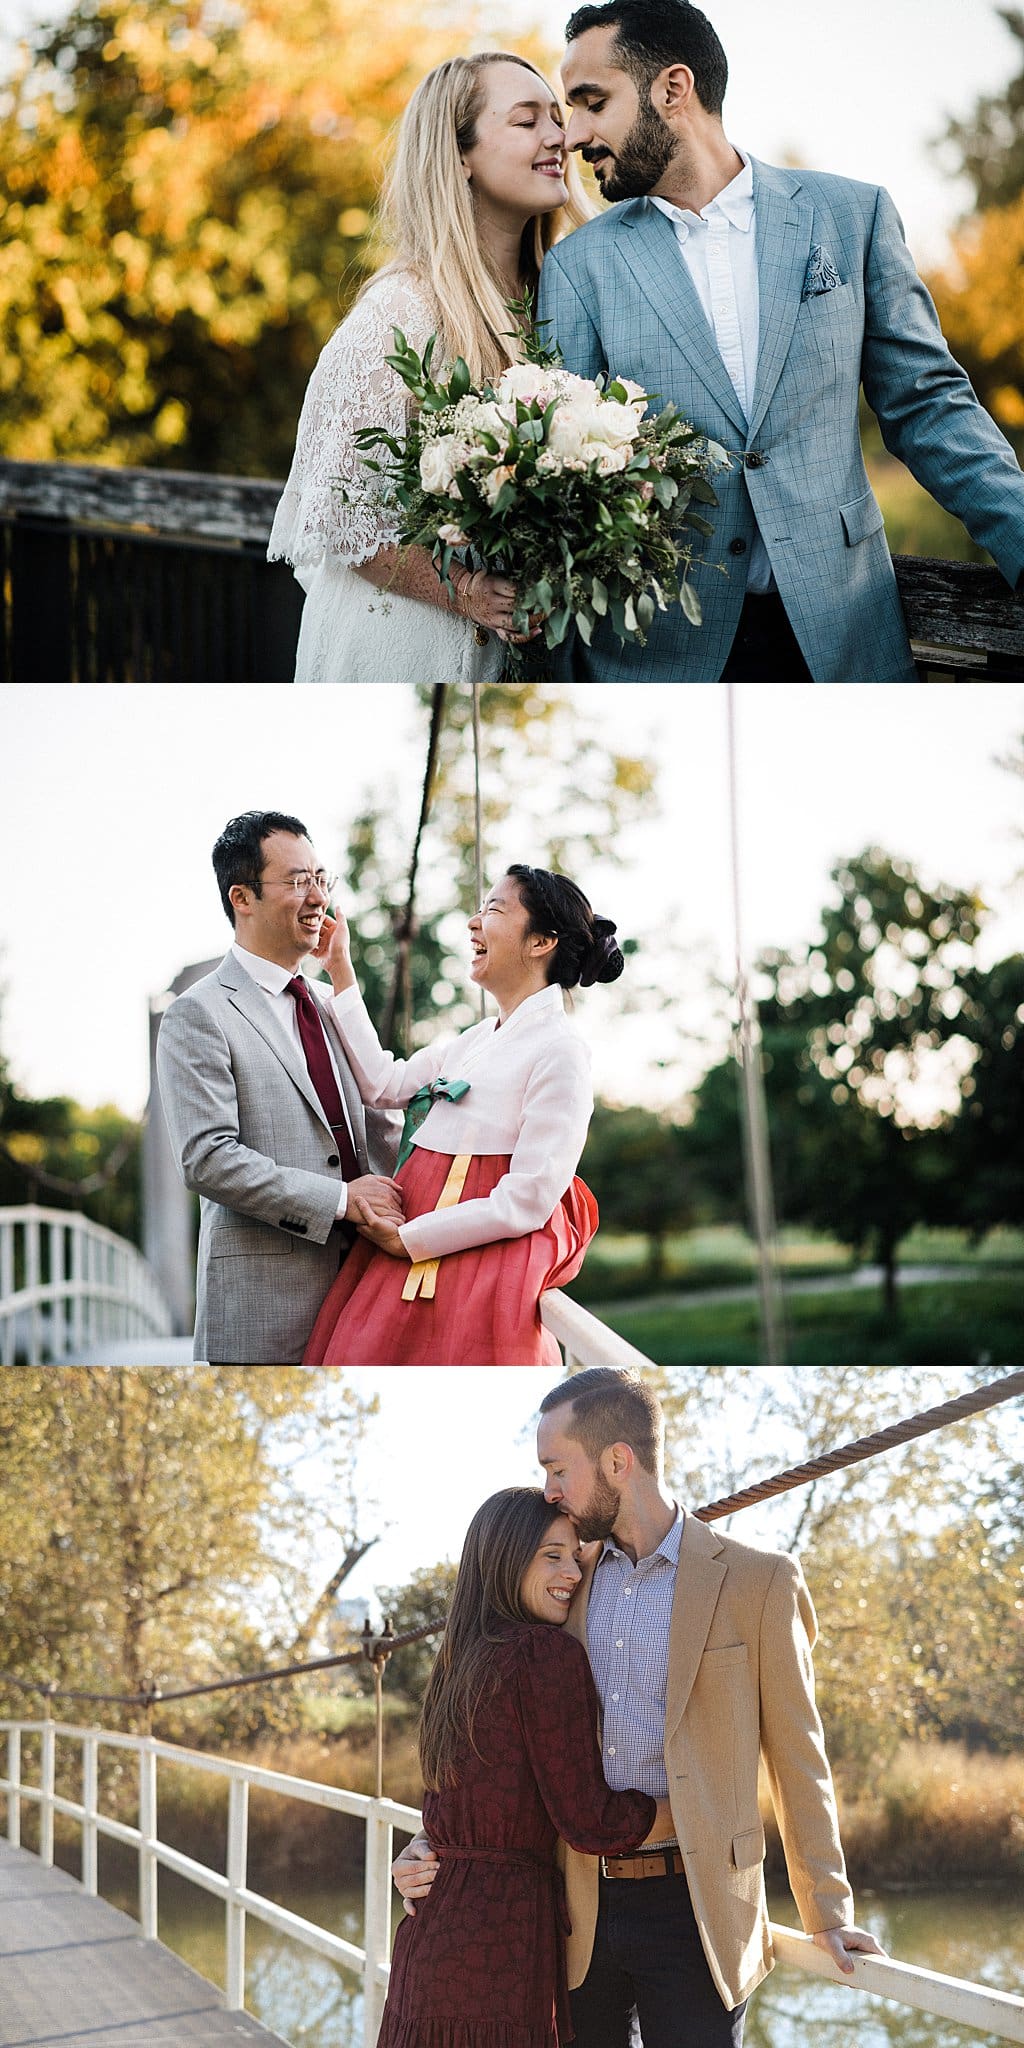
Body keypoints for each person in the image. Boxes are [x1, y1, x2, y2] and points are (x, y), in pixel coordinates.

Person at [394, 1368, 885, 2047]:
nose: (549, 1490)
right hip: (576, 1905)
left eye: (557, 1468)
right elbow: (504, 1738)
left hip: (699, 1904)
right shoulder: (564, 1580)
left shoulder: (759, 1582)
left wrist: (827, 1912)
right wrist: (435, 1843)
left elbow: (799, 1756)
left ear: (617, 1461)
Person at [536, 0, 1024, 682]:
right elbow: (563, 485)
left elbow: (928, 405)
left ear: (673, 89)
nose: (574, 134)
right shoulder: (577, 268)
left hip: (843, 630)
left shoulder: (853, 215)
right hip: (659, 653)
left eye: (592, 102)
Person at [268, 54, 592, 683]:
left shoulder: (561, 303)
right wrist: (467, 590)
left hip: (517, 653)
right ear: (458, 154)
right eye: (527, 121)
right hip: (401, 645)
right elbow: (340, 516)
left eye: (557, 117)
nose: (559, 136)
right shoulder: (400, 312)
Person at [377, 1486, 663, 2048]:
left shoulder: (459, 1661)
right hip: (499, 1944)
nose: (573, 1574)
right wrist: (684, 1815)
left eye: (577, 1557)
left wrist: (420, 1844)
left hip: (428, 1941)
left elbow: (460, 1805)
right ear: (507, 1561)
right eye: (550, 1555)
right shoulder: (545, 1655)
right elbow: (591, 1823)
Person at [302, 865, 622, 1365]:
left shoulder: (561, 1050)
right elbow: (382, 1084)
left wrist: (408, 1239)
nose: (474, 922)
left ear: (541, 942)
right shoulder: (475, 1038)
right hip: (408, 1246)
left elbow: (528, 1199)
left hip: (465, 1263)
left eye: (494, 909)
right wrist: (340, 968)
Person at [155, 810, 402, 1364]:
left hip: (365, 1299)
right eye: (297, 882)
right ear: (242, 897)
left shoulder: (330, 1005)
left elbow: (378, 1131)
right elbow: (208, 1159)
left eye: (320, 879)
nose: (318, 897)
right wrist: (342, 1201)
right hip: (264, 1317)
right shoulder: (198, 1014)